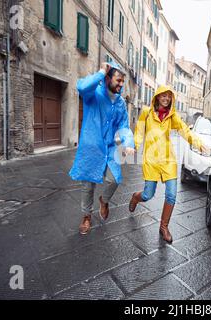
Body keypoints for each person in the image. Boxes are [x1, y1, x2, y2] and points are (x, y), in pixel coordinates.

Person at [128, 86, 208, 243]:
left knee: (171, 194)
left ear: (171, 98)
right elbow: (139, 132)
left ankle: (163, 227)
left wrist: (198, 143)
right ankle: (135, 198)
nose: (165, 98)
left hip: (168, 160)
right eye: (163, 95)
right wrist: (134, 146)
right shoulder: (146, 112)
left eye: (168, 96)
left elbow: (185, 130)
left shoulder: (173, 116)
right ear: (157, 97)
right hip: (151, 160)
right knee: (147, 195)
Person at [69, 61, 135, 235]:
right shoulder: (94, 94)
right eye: (118, 80)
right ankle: (86, 216)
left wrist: (128, 144)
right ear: (107, 78)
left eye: (123, 81)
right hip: (91, 148)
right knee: (87, 185)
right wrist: (100, 72)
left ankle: (104, 200)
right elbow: (82, 87)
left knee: (114, 179)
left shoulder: (120, 103)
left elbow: (124, 125)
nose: (121, 84)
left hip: (110, 148)